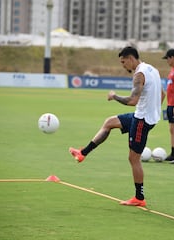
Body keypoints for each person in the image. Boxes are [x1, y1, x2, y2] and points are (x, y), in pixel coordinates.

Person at [69, 46, 165, 207]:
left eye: (123, 62)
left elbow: (132, 101)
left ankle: (139, 198)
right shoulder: (152, 69)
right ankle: (82, 153)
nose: (123, 66)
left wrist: (114, 96)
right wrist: (153, 111)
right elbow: (162, 94)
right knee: (109, 122)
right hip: (142, 116)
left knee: (133, 158)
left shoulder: (139, 74)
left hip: (142, 120)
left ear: (131, 58)